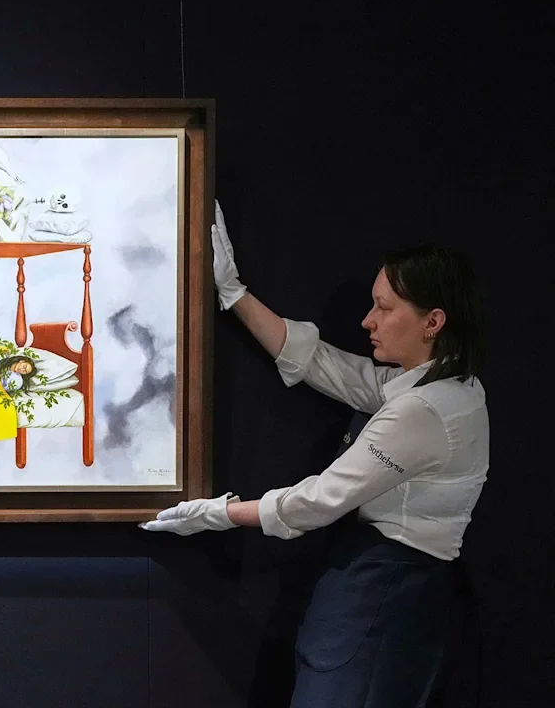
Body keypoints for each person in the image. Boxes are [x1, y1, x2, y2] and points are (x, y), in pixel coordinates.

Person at [141, 202, 489, 707]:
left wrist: (217, 514)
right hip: (399, 594)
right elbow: (328, 366)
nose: (368, 321)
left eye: (384, 308)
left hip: (383, 592)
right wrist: (233, 292)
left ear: (433, 321)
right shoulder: (452, 385)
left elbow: (319, 501)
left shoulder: (424, 410)